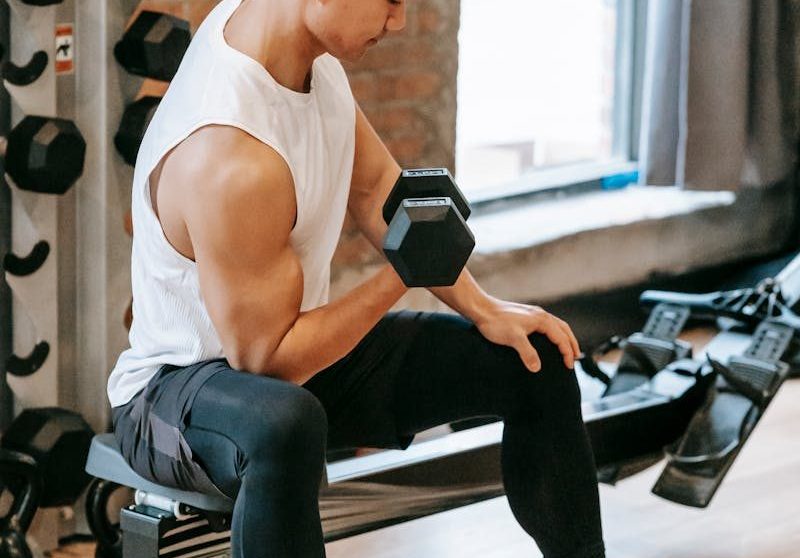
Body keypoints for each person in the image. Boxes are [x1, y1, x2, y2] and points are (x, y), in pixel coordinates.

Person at [107, 0, 605, 556]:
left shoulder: (303, 59)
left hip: (290, 364)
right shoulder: (230, 155)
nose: (399, 21)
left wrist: (485, 308)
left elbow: (376, 194)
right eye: (389, 0)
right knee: (284, 424)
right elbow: (269, 361)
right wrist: (401, 275)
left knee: (533, 359)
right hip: (174, 395)